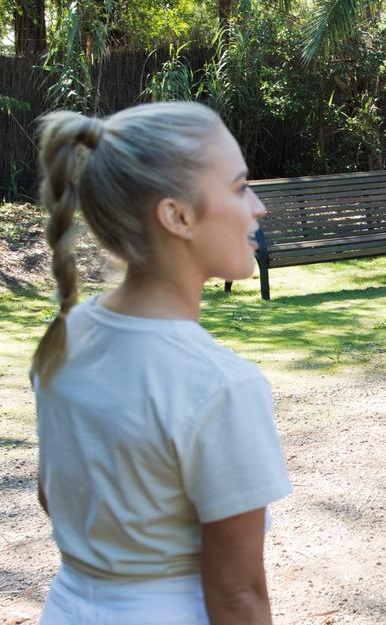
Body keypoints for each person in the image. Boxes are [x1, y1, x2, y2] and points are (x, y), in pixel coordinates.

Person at [31, 102, 292, 623]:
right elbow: (237, 596)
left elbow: (52, 494)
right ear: (177, 216)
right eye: (240, 187)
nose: (258, 206)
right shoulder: (220, 385)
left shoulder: (65, 337)